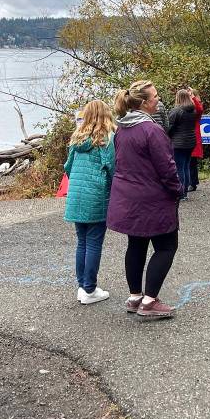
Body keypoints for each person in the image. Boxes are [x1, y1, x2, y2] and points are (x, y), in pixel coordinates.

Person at [107, 80, 185, 319]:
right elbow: (167, 168)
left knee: (136, 244)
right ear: (143, 103)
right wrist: (177, 190)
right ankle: (150, 301)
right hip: (152, 199)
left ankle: (134, 297)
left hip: (129, 198)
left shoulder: (122, 129)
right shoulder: (152, 130)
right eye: (155, 97)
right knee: (166, 246)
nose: (158, 100)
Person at [63, 101, 116, 305]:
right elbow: (111, 167)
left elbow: (68, 166)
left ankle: (82, 285)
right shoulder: (105, 139)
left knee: (82, 241)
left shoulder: (77, 138)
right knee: (94, 242)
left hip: (77, 195)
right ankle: (90, 289)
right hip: (96, 194)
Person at [166, 90, 197, 200]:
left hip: (178, 143)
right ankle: (185, 192)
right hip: (191, 141)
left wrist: (166, 136)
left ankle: (181, 193)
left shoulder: (176, 111)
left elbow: (169, 127)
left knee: (179, 168)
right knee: (186, 167)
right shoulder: (193, 110)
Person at [190, 89, 204, 192]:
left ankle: (192, 183)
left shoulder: (196, 108)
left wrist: (193, 97)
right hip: (189, 137)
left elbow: (199, 109)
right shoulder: (188, 108)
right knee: (190, 162)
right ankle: (192, 182)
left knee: (191, 162)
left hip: (193, 137)